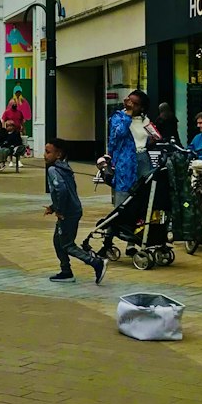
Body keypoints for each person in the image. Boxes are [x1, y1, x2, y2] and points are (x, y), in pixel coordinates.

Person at [44, 138, 107, 285]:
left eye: (48, 152)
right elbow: (68, 191)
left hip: (68, 212)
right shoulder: (65, 168)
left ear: (58, 154)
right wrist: (53, 207)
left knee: (67, 244)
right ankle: (66, 271)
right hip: (73, 209)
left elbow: (61, 190)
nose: (44, 155)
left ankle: (96, 263)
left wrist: (58, 209)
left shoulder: (53, 170)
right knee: (58, 241)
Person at [106, 89, 154, 206]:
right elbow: (119, 134)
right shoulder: (118, 117)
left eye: (135, 104)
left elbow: (143, 140)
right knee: (124, 193)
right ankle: (121, 222)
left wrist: (151, 140)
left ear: (142, 107)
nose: (130, 105)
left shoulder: (145, 120)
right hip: (125, 160)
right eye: (129, 101)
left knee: (144, 191)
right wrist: (128, 113)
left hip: (143, 158)